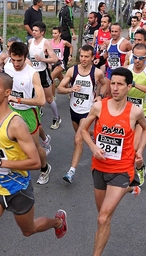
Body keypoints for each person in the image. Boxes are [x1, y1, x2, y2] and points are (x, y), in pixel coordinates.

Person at [0, 72, 67, 256]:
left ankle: (58, 222)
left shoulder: (16, 124)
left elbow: (34, 162)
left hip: (18, 190)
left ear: (7, 92)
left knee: (28, 230)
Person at [81, 67, 146, 256]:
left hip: (122, 170)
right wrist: (93, 147)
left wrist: (140, 152)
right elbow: (84, 130)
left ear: (129, 87)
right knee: (103, 216)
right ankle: (130, 188)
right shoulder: (99, 107)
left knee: (102, 219)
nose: (115, 88)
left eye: (120, 84)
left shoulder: (135, 111)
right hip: (99, 168)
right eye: (113, 83)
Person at [57, 45, 108, 183]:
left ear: (92, 58)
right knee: (83, 134)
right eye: (81, 56)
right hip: (74, 110)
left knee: (78, 139)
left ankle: (71, 172)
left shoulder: (96, 73)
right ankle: (96, 134)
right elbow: (59, 89)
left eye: (86, 57)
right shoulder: (72, 71)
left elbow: (105, 84)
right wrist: (70, 89)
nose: (83, 59)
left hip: (88, 110)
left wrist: (100, 96)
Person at [4, 42, 51, 185]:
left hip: (27, 112)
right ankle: (14, 168)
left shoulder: (32, 74)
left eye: (20, 60)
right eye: (13, 59)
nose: (16, 63)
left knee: (34, 147)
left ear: (26, 58)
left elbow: (41, 100)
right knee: (9, 142)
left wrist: (17, 99)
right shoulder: (7, 68)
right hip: (11, 111)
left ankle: (45, 168)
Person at [126, 43, 146, 185]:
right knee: (127, 146)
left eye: (140, 58)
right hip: (128, 112)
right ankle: (140, 166)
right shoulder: (127, 69)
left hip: (144, 113)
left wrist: (133, 84)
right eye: (135, 57)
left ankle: (133, 172)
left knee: (134, 148)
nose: (137, 60)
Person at [28, 21, 61, 130]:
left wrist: (42, 59)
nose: (33, 32)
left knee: (49, 98)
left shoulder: (45, 43)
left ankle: (57, 117)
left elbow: (55, 59)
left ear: (42, 32)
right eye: (33, 30)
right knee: (33, 96)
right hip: (33, 73)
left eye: (36, 31)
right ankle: (36, 116)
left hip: (42, 73)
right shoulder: (30, 41)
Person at [50, 26, 73, 99]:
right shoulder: (50, 42)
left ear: (60, 34)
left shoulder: (63, 42)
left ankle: (53, 96)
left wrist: (70, 55)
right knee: (62, 79)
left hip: (60, 63)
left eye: (55, 33)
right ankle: (70, 90)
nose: (54, 35)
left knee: (51, 77)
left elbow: (71, 46)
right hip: (53, 63)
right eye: (53, 33)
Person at [58, 0, 77, 69]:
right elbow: (69, 22)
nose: (73, 2)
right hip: (66, 32)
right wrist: (73, 33)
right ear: (70, 1)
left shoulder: (62, 8)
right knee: (66, 49)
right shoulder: (68, 9)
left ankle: (60, 64)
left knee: (61, 48)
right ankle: (64, 65)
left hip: (61, 31)